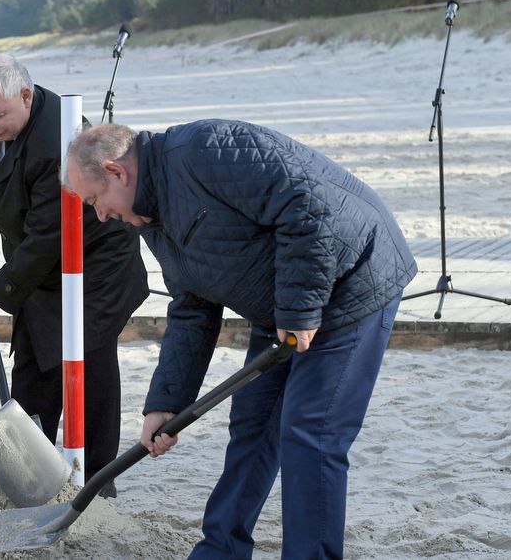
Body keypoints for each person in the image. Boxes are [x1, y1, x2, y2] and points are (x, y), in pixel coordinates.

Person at [63, 120, 417, 559]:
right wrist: (165, 403)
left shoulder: (208, 150)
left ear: (117, 172)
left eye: (95, 200)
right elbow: (192, 306)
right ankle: (221, 550)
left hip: (352, 280)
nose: (99, 215)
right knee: (252, 423)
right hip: (286, 296)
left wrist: (300, 310)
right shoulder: (149, 217)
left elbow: (306, 206)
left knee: (310, 432)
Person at [0, 54, 148, 495]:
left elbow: (48, 233)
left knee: (86, 362)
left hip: (94, 264)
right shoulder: (6, 119)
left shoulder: (60, 137)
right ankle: (26, 473)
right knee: (33, 360)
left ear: (26, 95)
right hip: (43, 266)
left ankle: (98, 477)